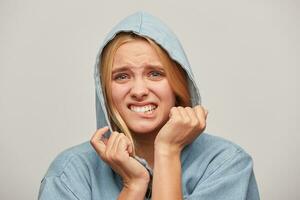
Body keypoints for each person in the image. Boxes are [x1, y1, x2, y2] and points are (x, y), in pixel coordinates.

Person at [38, 11, 260, 200]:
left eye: (155, 74)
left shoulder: (226, 165)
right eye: (122, 77)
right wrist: (133, 185)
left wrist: (167, 151)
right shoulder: (69, 174)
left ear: (178, 83)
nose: (139, 91)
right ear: (105, 91)